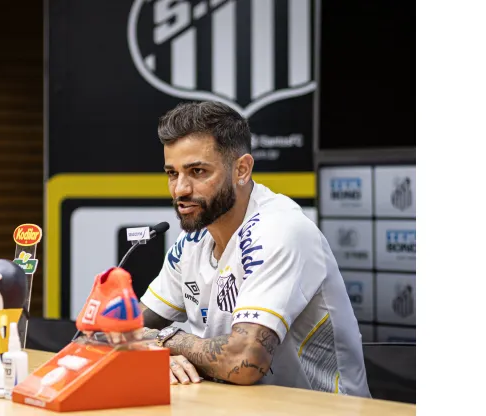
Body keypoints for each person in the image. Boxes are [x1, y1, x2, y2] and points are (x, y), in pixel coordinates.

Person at [138, 101, 371, 397]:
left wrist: (163, 341)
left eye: (197, 171)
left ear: (242, 169)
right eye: (172, 174)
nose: (180, 190)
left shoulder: (281, 230)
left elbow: (244, 361)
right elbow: (110, 331)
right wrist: (143, 345)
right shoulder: (192, 242)